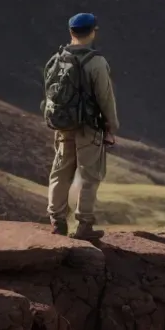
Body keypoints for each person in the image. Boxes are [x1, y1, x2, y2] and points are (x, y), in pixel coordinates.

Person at [41, 12, 120, 240]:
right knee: (89, 175)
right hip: (89, 128)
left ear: (71, 32)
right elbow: (105, 98)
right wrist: (111, 126)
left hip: (63, 126)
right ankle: (84, 226)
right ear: (93, 31)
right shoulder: (96, 62)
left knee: (60, 172)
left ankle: (57, 222)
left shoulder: (57, 59)